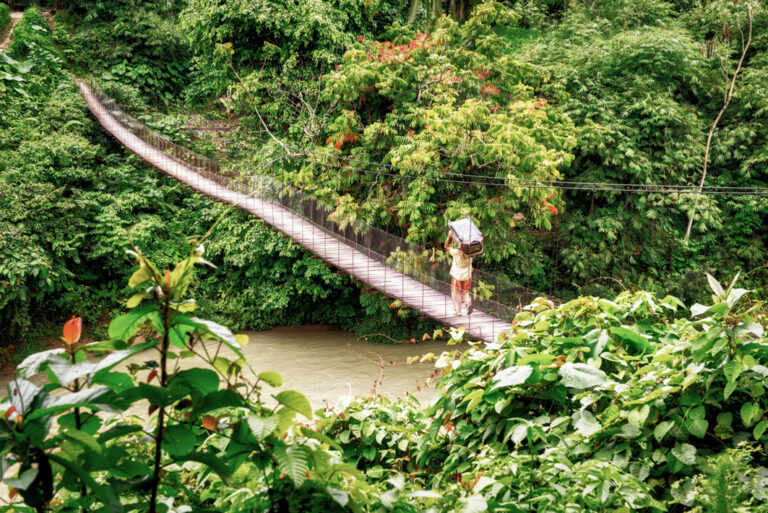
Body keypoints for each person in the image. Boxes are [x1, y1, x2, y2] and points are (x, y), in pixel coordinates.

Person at [444, 231, 473, 316]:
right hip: (467, 275)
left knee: (456, 293)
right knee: (465, 292)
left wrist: (449, 237)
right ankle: (468, 303)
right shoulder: (470, 254)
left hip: (457, 275)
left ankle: (458, 311)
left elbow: (446, 246)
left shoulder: (456, 252)